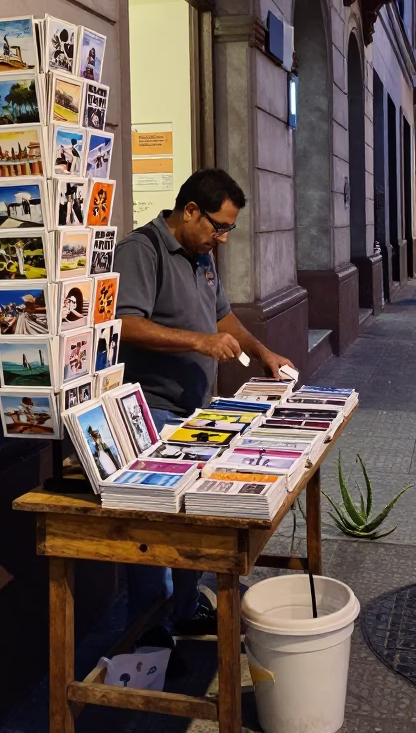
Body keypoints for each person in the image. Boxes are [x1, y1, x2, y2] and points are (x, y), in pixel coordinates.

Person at [115, 168, 294, 645]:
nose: (224, 238)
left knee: (193, 526)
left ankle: (186, 607)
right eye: (219, 226)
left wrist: (261, 352)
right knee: (154, 532)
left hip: (197, 411)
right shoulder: (142, 250)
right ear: (190, 210)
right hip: (153, 412)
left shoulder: (202, 255)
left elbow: (223, 316)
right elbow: (124, 325)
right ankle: (151, 635)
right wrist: (198, 341)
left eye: (229, 228)